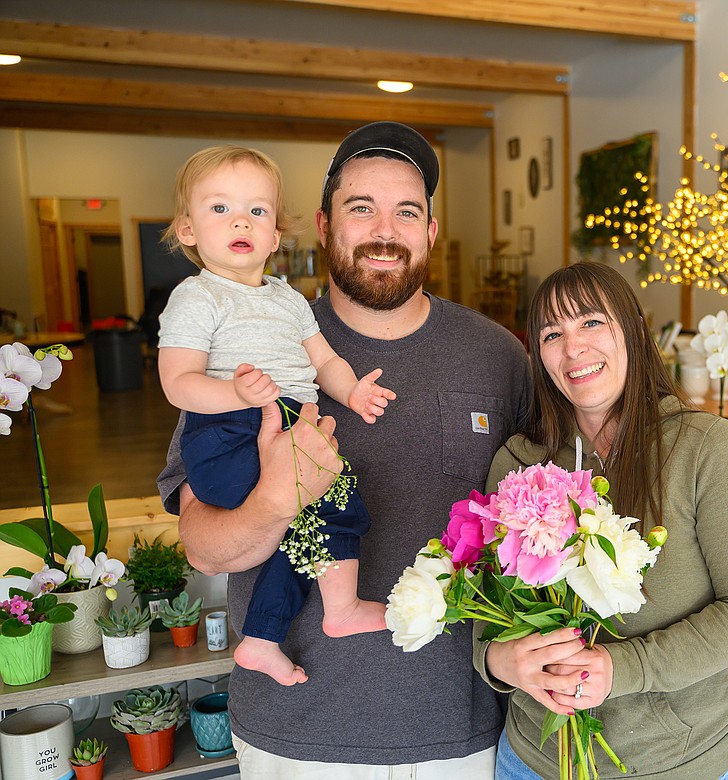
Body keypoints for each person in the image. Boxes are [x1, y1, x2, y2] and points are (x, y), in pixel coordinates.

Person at [158, 122, 532, 777]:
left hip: (464, 733)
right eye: (362, 208)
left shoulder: (499, 357)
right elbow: (204, 546)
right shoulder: (249, 341)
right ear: (324, 227)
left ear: (431, 233)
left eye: (406, 212)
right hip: (296, 737)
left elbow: (540, 530)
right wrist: (276, 499)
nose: (385, 230)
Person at [475, 262, 728, 780]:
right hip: (532, 762)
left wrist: (624, 668)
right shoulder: (518, 463)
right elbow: (485, 613)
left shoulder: (706, 449)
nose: (573, 348)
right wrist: (498, 662)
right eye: (553, 333)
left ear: (636, 332)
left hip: (675, 765)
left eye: (592, 322)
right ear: (539, 355)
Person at [157, 144, 395, 687]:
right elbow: (177, 384)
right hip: (229, 431)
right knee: (321, 510)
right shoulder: (197, 298)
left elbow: (325, 360)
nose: (241, 220)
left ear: (275, 234)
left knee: (318, 523)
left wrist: (353, 392)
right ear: (188, 229)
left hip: (291, 421)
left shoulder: (289, 300)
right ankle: (332, 611)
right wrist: (238, 394)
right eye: (220, 209)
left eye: (257, 211)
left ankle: (269, 637)